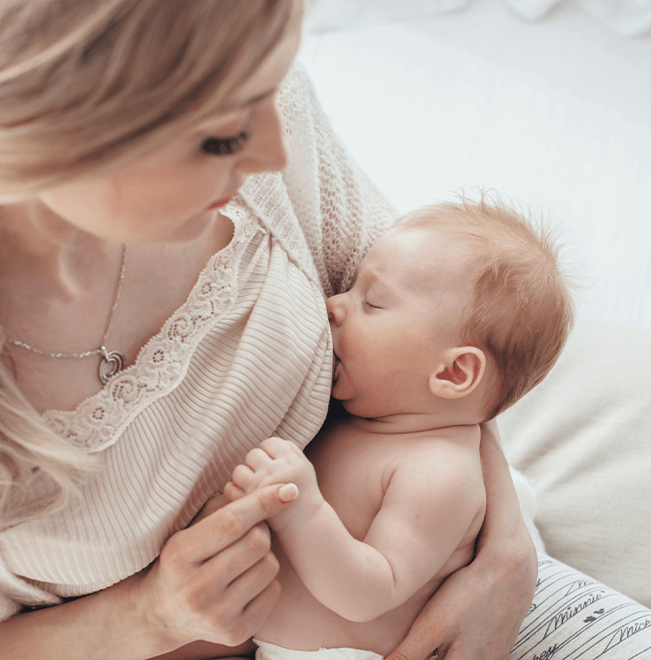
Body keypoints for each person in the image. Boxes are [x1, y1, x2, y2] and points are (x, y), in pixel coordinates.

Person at [0, 2, 651, 659]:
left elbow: (448, 332)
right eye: (220, 134)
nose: (273, 150)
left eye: (273, 84)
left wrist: (507, 552)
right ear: (44, 140)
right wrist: (147, 619)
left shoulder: (239, 75)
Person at [227, 198, 573, 660]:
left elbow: (367, 594)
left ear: (452, 374)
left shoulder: (438, 472)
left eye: (371, 301)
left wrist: (301, 510)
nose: (333, 305)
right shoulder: (370, 417)